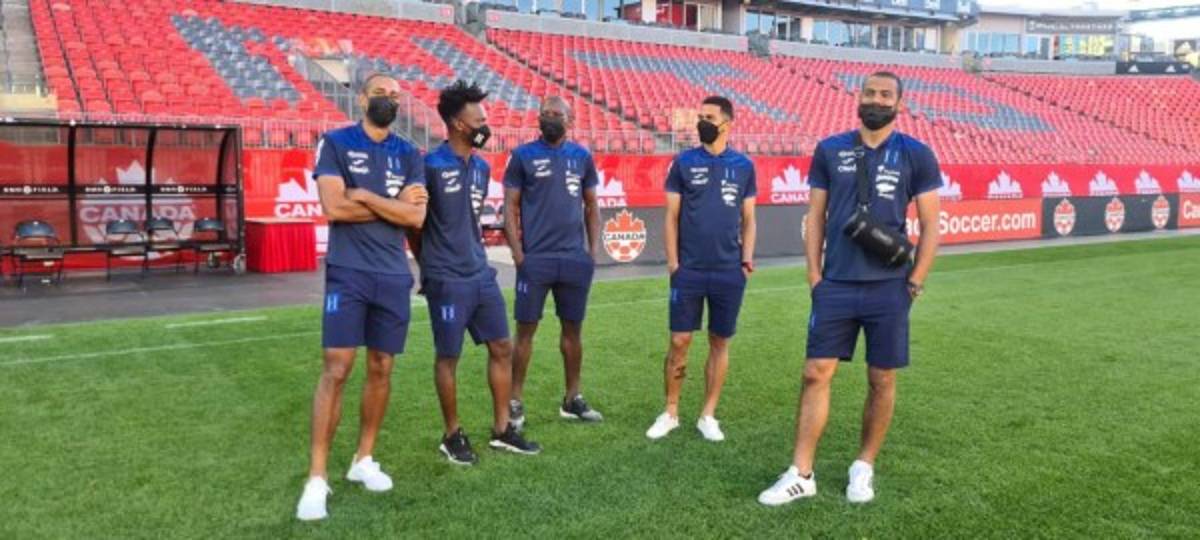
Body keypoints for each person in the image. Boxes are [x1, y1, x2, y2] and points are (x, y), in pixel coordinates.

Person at [757, 71, 942, 506]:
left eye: (884, 95)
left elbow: (932, 223)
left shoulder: (917, 154)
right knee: (815, 373)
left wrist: (917, 278)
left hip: (889, 287)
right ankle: (801, 472)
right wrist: (814, 274)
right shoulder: (830, 149)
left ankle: (864, 466)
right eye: (869, 93)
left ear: (900, 104)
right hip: (836, 283)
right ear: (858, 98)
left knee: (881, 379)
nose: (875, 100)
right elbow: (816, 215)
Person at [297, 72, 429, 521]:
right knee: (337, 368)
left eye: (395, 95)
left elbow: (415, 217)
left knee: (382, 367)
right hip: (348, 273)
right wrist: (392, 203)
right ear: (361, 99)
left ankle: (363, 460)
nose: (388, 101)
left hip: (393, 274)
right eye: (380, 94)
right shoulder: (335, 142)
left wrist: (369, 195)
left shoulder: (410, 152)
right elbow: (333, 206)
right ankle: (317, 478)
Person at [411, 80, 541, 466]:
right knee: (448, 357)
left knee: (502, 346)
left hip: (479, 273)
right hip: (445, 277)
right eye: (479, 119)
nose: (486, 125)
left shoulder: (482, 168)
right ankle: (452, 435)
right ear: (456, 123)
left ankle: (502, 430)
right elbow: (413, 226)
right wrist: (430, 264)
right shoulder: (429, 165)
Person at [645, 95, 757, 443]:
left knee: (719, 342)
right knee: (679, 340)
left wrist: (746, 260)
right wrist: (673, 263)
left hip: (728, 271)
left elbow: (749, 218)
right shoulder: (683, 162)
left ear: (728, 123)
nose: (701, 122)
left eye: (709, 117)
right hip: (689, 270)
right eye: (700, 116)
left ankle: (708, 414)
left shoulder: (743, 166)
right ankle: (671, 410)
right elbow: (671, 217)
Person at [503, 96, 603, 430]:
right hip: (537, 260)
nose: (549, 118)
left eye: (556, 114)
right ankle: (514, 400)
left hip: (574, 260)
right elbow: (510, 208)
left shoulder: (582, 157)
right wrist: (518, 254)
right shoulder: (523, 156)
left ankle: (572, 398)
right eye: (544, 113)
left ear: (570, 120)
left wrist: (592, 253)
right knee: (525, 332)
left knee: (573, 332)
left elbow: (592, 206)